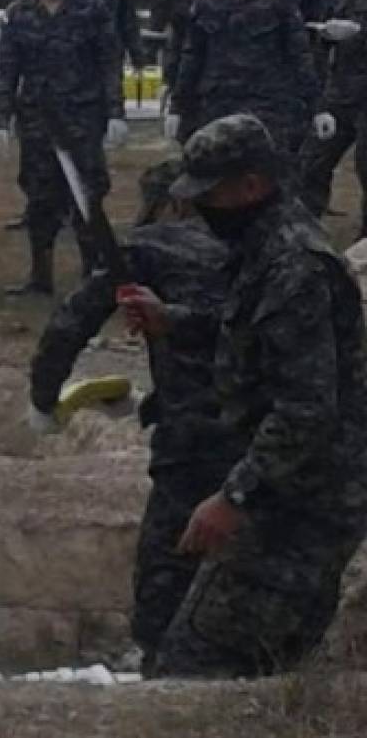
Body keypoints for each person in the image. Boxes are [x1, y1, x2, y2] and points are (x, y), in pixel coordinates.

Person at [126, 113, 367, 678]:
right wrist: (175, 321)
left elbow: (305, 410)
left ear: (251, 186)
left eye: (210, 194)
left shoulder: (295, 266)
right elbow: (252, 336)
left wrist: (233, 498)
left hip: (309, 502)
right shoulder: (264, 248)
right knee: (235, 660)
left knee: (201, 664)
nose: (198, 209)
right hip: (283, 490)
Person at [27, 159, 237, 675]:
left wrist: (42, 398)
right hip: (269, 427)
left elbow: (70, 324)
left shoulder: (147, 248)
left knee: (168, 560)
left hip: (195, 434)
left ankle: (163, 667)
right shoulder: (252, 246)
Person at [0, 0, 127, 297]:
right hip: (37, 121)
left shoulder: (92, 10)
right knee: (40, 199)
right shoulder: (19, 14)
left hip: (82, 119)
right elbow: (8, 72)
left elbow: (109, 63)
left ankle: (94, 273)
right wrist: (1, 119)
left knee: (87, 196)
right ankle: (40, 276)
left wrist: (116, 111)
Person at [166, 0, 321, 155]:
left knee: (273, 177)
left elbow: (299, 55)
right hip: (217, 105)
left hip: (269, 107)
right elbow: (192, 56)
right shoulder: (206, 0)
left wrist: (317, 107)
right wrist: (177, 107)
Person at [300, 0, 367, 235]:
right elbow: (323, 30)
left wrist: (362, 31)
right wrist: (328, 32)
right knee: (312, 160)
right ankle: (305, 232)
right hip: (340, 89)